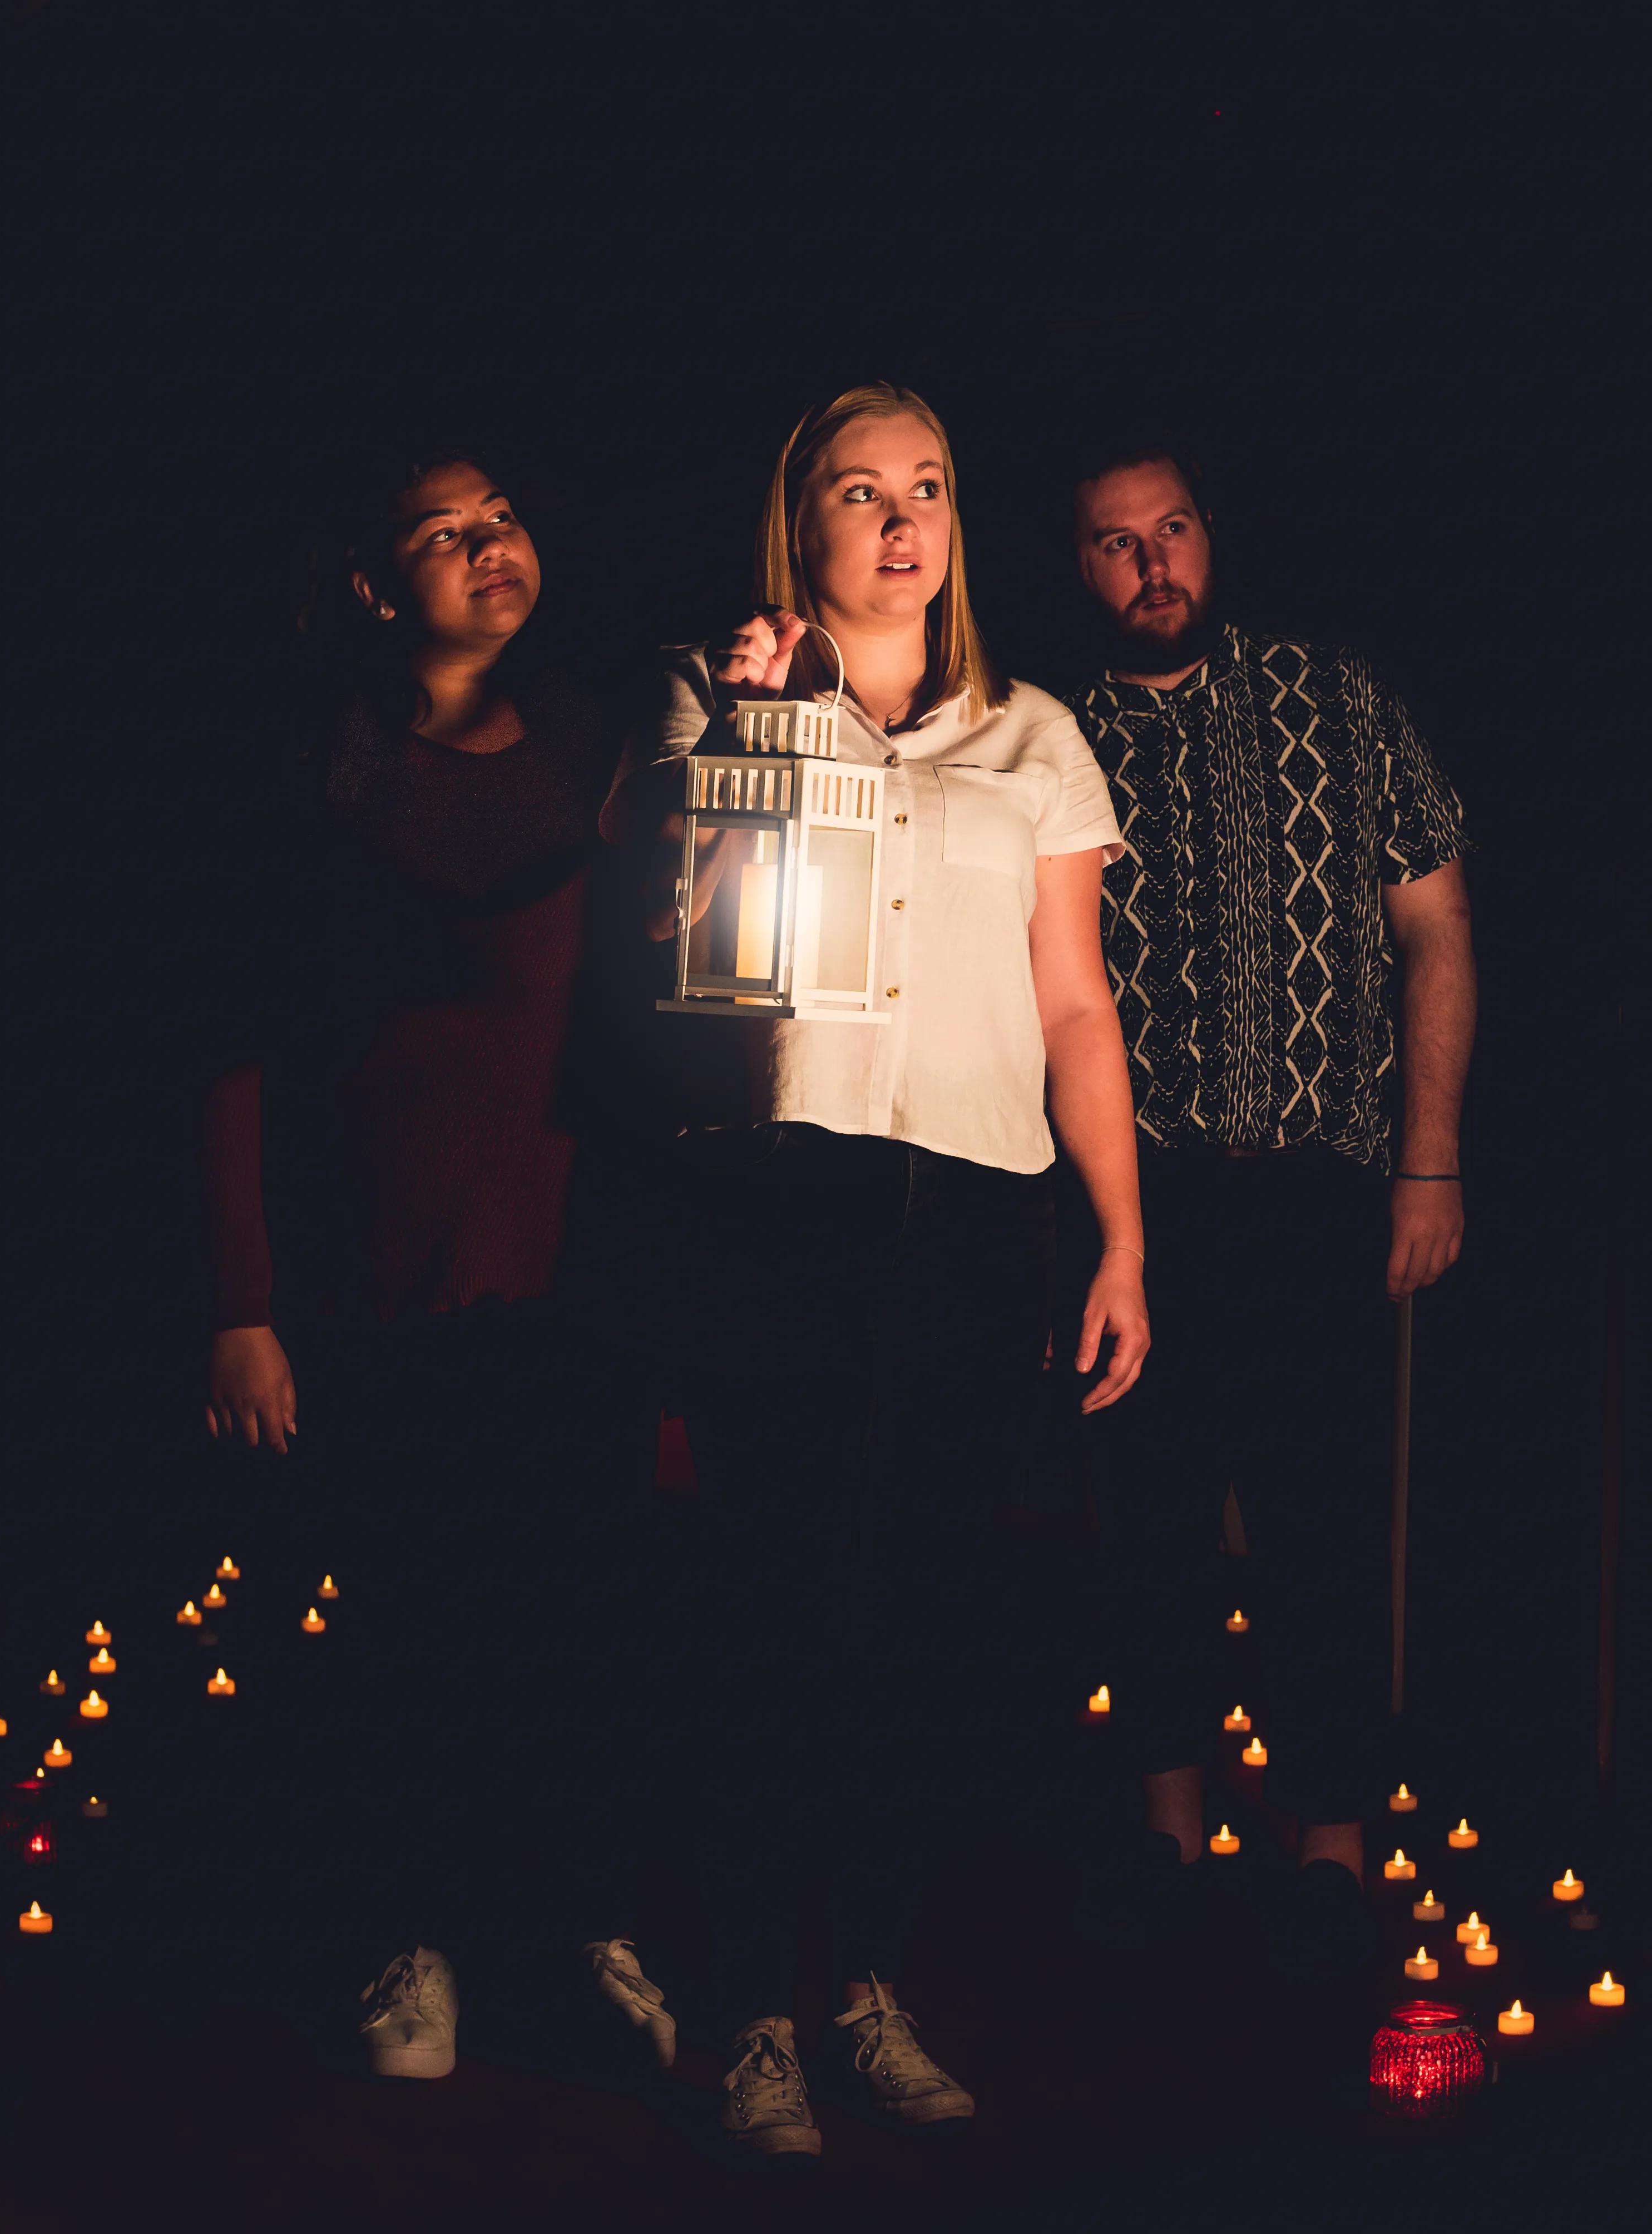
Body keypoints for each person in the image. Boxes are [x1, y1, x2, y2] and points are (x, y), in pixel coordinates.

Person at [610, 382, 1150, 2156]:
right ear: (805, 524)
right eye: (862, 490)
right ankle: (754, 2011)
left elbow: (1075, 1004)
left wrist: (1120, 1239)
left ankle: (870, 1992)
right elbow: (685, 966)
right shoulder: (722, 690)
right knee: (774, 1600)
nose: (903, 519)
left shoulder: (1034, 738)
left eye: (928, 487)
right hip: (787, 1192)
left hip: (982, 1204)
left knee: (923, 1616)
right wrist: (761, 735)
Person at [196, 447, 669, 2084]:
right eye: (444, 536)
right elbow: (231, 1042)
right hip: (373, 1262)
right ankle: (416, 1947)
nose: (492, 549)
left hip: (572, 1256)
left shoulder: (605, 743)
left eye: (507, 519)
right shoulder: (310, 765)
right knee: (405, 1617)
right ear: (372, 586)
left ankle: (586, 1926)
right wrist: (242, 1304)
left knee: (580, 1614)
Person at [1059, 439, 1474, 1983]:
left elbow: (1436, 928)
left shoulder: (1336, 698)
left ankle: (1328, 1848)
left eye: (1171, 531)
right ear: (1076, 565)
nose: (1151, 564)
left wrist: (1428, 1159)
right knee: (1148, 1516)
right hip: (1131, 1200)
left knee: (1323, 1521)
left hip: (1319, 1186)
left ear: (1210, 538)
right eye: (1114, 543)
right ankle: (1166, 1829)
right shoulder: (1050, 736)